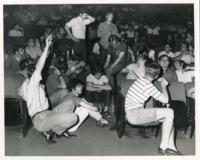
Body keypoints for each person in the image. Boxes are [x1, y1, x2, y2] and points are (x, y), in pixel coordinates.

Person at [18, 35, 78, 144]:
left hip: (48, 113)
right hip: (40, 120)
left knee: (70, 103)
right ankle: (50, 131)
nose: (40, 73)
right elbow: (40, 66)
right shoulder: (31, 84)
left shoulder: (28, 84)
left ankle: (56, 131)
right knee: (73, 117)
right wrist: (46, 47)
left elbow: (24, 93)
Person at [125, 63, 182, 155]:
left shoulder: (141, 79)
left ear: (146, 71)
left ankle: (171, 147)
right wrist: (163, 85)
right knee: (170, 112)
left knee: (169, 119)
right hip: (135, 115)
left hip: (132, 113)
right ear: (156, 75)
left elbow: (151, 80)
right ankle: (163, 147)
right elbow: (166, 100)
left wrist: (158, 78)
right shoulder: (148, 86)